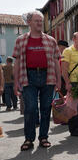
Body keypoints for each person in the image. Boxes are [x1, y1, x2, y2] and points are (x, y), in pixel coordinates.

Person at [12, 10, 61, 151]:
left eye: (41, 21)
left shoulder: (51, 40)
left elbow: (56, 61)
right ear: (29, 22)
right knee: (31, 108)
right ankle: (29, 138)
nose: (40, 23)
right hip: (28, 77)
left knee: (46, 108)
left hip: (48, 76)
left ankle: (43, 137)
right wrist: (15, 82)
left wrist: (59, 80)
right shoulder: (20, 40)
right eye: (36, 21)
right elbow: (17, 62)